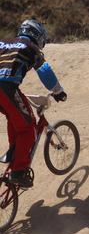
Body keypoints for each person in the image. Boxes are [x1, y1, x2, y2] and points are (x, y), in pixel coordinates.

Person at [0, 19, 67, 188]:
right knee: (28, 128)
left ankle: (15, 150)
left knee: (14, 118)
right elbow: (45, 71)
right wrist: (58, 91)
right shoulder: (31, 47)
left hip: (6, 89)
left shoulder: (3, 42)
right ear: (37, 35)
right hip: (6, 88)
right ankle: (19, 171)